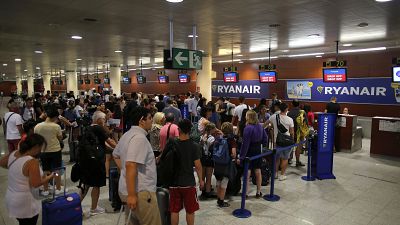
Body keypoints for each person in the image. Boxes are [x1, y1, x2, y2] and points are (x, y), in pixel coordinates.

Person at [112, 107, 161, 225]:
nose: (151, 121)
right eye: (149, 118)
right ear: (141, 120)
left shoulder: (127, 135)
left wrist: (124, 171)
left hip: (130, 190)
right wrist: (132, 194)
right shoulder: (139, 138)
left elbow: (116, 155)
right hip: (140, 192)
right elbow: (130, 164)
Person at [1, 134, 55, 225]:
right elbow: (35, 183)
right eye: (41, 148)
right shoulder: (32, 162)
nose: (40, 151)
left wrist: (17, 173)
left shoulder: (14, 153)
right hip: (25, 202)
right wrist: (49, 177)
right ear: (36, 146)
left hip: (11, 198)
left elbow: (2, 163)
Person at [79, 111, 117, 216]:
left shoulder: (88, 128)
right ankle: (94, 208)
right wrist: (120, 147)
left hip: (87, 160)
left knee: (86, 184)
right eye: (104, 119)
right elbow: (109, 141)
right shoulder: (98, 128)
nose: (105, 121)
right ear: (99, 119)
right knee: (96, 185)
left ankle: (76, 206)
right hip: (97, 161)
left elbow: (102, 144)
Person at [170, 119, 204, 225]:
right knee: (190, 210)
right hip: (188, 183)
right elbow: (198, 166)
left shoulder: (172, 142)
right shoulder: (194, 146)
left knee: (174, 210)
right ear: (190, 130)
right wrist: (201, 180)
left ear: (178, 129)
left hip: (174, 182)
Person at [33, 104, 64, 196]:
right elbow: (60, 138)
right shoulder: (56, 126)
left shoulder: (37, 126)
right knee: (57, 170)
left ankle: (45, 190)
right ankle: (58, 188)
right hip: (55, 150)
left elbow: (36, 138)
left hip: (43, 151)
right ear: (55, 117)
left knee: (45, 170)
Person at [239, 110, 267, 197]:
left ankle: (246, 193)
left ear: (249, 117)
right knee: (258, 171)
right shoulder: (260, 126)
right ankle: (258, 192)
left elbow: (245, 144)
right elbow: (265, 139)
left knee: (247, 172)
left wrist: (242, 156)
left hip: (249, 151)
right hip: (258, 150)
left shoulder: (247, 128)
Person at [268, 103, 294, 181]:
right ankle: (282, 175)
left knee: (277, 158)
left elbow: (266, 125)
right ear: (286, 109)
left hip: (277, 141)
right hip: (287, 141)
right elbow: (292, 132)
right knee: (285, 158)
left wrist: (271, 128)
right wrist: (293, 141)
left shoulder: (273, 117)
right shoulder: (290, 119)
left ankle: (275, 174)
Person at [214, 122, 237, 207]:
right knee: (224, 181)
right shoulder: (231, 140)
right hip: (226, 163)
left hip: (217, 162)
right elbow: (233, 153)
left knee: (218, 180)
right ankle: (221, 201)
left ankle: (218, 199)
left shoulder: (219, 137)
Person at [287, 100, 305, 167]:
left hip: (291, 132)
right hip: (300, 132)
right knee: (298, 147)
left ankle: (289, 159)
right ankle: (297, 161)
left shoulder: (289, 113)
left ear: (292, 104)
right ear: (299, 104)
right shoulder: (302, 112)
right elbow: (305, 123)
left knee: (290, 147)